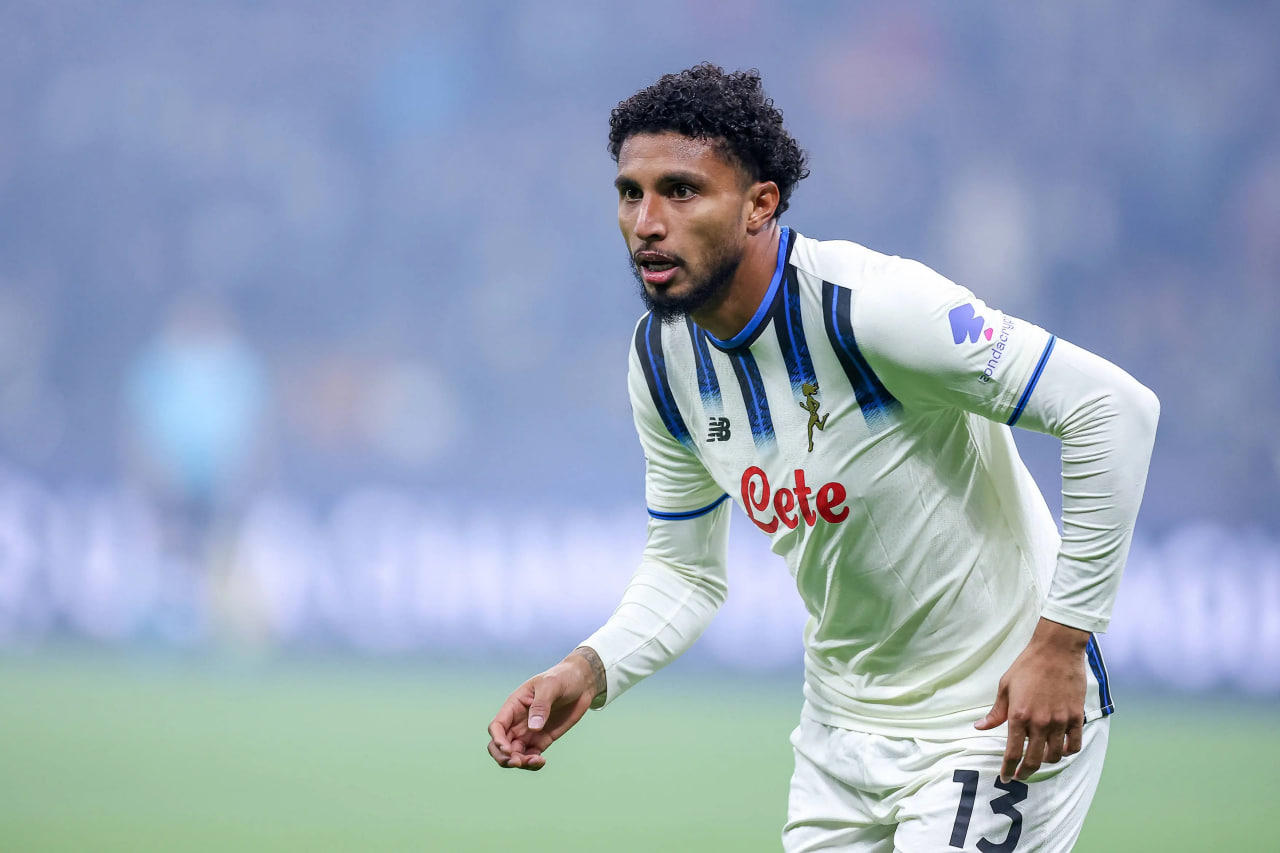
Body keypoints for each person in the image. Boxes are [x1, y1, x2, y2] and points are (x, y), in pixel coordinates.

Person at [486, 64, 1159, 852]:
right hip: (839, 739)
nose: (647, 222)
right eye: (630, 193)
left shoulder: (872, 309)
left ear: (760, 204)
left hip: (996, 715)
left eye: (682, 190)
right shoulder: (662, 359)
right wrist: (588, 668)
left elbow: (1113, 409)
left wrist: (1061, 642)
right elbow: (686, 571)